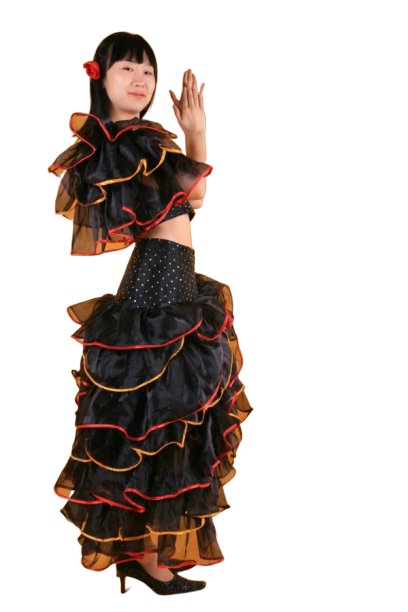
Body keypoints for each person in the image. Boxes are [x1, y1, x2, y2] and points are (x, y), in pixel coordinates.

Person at [48, 31, 253, 596]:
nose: (141, 80)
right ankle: (150, 561)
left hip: (174, 284)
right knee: (158, 419)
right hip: (156, 288)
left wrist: (195, 132)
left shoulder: (143, 140)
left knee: (161, 424)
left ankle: (145, 556)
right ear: (101, 77)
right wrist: (183, 145)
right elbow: (167, 203)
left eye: (148, 71)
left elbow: (193, 199)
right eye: (127, 69)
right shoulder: (122, 143)